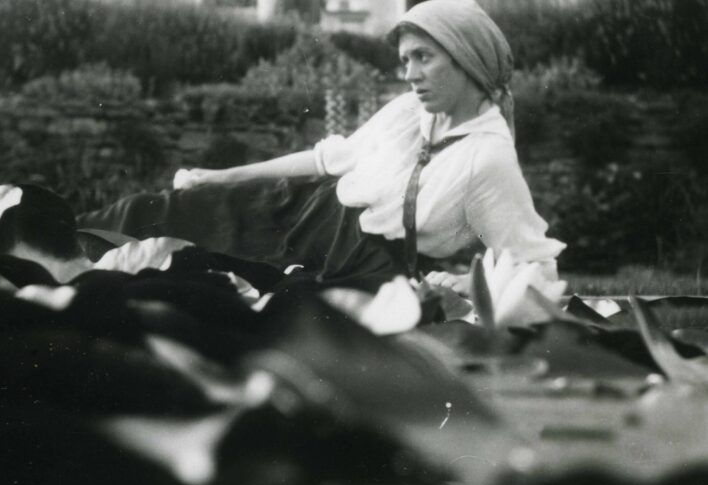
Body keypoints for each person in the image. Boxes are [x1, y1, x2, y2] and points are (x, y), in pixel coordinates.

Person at [79, 0, 565, 294]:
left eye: (424, 58)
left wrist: (465, 283)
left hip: (355, 268)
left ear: (468, 60)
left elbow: (534, 265)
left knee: (195, 282)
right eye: (405, 60)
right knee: (148, 212)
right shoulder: (407, 112)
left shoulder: (487, 158)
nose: (410, 74)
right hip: (297, 213)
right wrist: (220, 178)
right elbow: (325, 160)